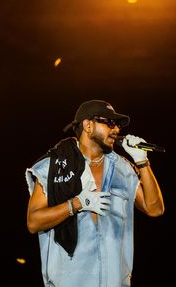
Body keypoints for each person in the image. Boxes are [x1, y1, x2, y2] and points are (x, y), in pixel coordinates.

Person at [25, 99, 165, 287]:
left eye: (117, 125)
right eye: (109, 122)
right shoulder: (53, 168)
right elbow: (33, 222)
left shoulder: (123, 168)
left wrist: (142, 162)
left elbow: (154, 209)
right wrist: (77, 204)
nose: (116, 129)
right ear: (88, 125)